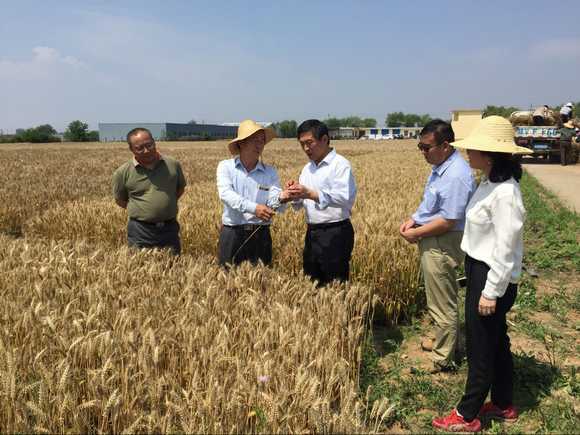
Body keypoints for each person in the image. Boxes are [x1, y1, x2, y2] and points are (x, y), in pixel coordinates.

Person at [432, 116, 532, 433]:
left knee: (480, 346)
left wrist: (491, 291)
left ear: (488, 155)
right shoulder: (489, 183)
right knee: (496, 340)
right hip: (480, 269)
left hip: (491, 275)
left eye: (472, 149)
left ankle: (467, 414)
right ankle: (503, 403)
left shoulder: (506, 194)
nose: (467, 153)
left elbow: (505, 248)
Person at [399, 119, 476, 373]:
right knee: (437, 296)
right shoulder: (441, 167)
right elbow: (433, 206)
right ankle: (444, 341)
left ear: (445, 145)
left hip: (443, 240)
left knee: (442, 301)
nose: (422, 152)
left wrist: (416, 233)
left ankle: (444, 358)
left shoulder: (456, 175)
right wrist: (414, 219)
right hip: (434, 236)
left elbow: (448, 220)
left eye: (426, 147)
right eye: (420, 147)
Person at [285, 119, 357, 286]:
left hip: (336, 232)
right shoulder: (307, 169)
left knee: (335, 284)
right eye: (302, 144)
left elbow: (344, 197)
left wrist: (310, 193)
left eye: (309, 143)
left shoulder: (340, 165)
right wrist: (294, 194)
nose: (306, 148)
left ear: (324, 139)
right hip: (312, 232)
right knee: (312, 283)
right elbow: (300, 203)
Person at [216, 119, 289, 267]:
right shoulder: (226, 167)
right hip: (232, 234)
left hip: (260, 234)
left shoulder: (270, 172)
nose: (259, 145)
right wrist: (255, 208)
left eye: (262, 141)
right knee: (228, 280)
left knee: (262, 279)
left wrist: (283, 197)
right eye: (255, 140)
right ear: (241, 143)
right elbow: (226, 194)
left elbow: (273, 201)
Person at [112, 127, 186, 255]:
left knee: (173, 264)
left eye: (149, 145)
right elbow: (120, 200)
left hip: (169, 228)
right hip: (140, 230)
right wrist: (142, 210)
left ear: (154, 142)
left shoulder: (172, 164)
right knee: (141, 265)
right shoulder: (122, 172)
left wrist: (164, 205)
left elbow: (179, 189)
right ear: (131, 149)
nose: (146, 150)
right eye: (139, 148)